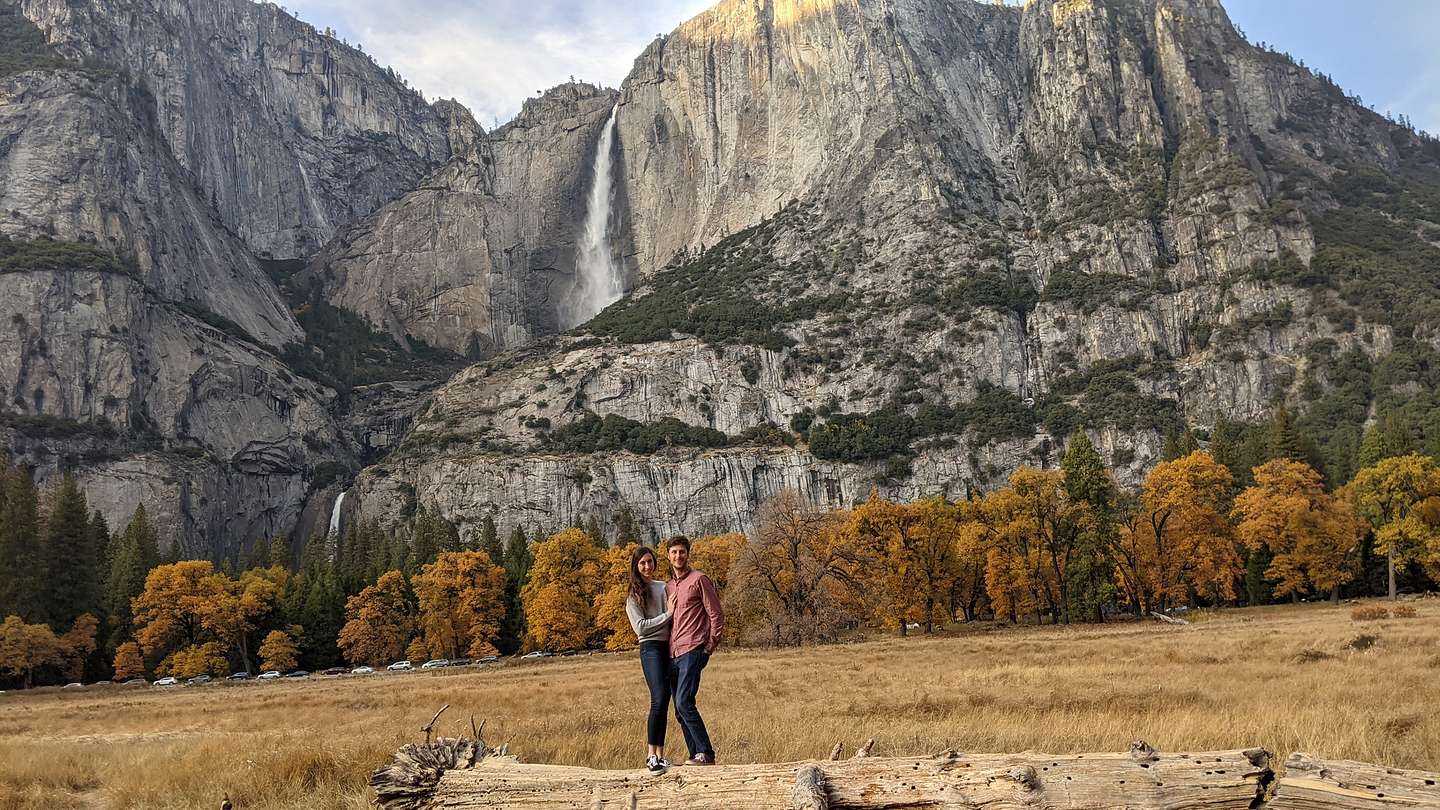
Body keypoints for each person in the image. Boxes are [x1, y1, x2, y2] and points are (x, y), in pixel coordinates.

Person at [664, 535, 724, 766]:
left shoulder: (700, 579)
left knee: (684, 702)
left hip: (693, 649)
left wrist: (709, 646)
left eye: (682, 551)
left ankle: (706, 754)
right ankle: (694, 755)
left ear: (688, 554)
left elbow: (716, 614)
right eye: (674, 552)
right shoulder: (668, 587)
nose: (678, 556)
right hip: (673, 654)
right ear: (668, 556)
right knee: (679, 711)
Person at [625, 545, 673, 773]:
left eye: (650, 562)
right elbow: (641, 629)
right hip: (650, 648)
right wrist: (667, 615)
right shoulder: (633, 596)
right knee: (658, 697)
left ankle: (660, 755)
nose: (647, 566)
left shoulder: (663, 587)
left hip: (668, 646)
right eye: (642, 563)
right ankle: (650, 755)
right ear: (636, 566)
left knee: (665, 700)